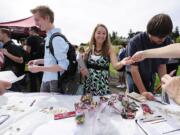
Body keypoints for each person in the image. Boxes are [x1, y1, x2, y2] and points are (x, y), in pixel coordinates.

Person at [126, 13, 173, 100]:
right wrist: (143, 91)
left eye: (164, 36)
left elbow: (162, 65)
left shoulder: (166, 41)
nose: (162, 39)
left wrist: (164, 86)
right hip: (134, 77)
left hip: (150, 75)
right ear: (150, 31)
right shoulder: (135, 42)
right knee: (135, 100)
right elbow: (134, 69)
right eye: (159, 36)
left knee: (150, 99)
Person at [80, 24, 133, 96]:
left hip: (102, 86)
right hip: (89, 86)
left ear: (106, 36)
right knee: (89, 105)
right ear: (94, 34)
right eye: (98, 33)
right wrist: (83, 67)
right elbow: (84, 67)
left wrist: (122, 62)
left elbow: (116, 66)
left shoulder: (109, 49)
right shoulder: (88, 50)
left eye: (104, 33)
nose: (101, 35)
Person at [28, 6, 69, 93]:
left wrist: (39, 69)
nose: (36, 23)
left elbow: (62, 66)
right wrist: (37, 61)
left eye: (37, 20)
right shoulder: (49, 37)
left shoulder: (56, 39)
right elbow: (52, 60)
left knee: (53, 107)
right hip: (47, 79)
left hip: (55, 81)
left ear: (47, 18)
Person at [27, 26, 44, 92]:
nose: (28, 32)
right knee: (41, 79)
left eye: (29, 30)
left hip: (31, 61)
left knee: (32, 79)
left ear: (33, 31)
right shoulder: (42, 39)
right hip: (41, 62)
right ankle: (42, 92)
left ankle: (33, 93)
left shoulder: (30, 38)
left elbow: (27, 52)